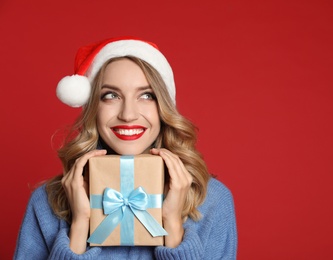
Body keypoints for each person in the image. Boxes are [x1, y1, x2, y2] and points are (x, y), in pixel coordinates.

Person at [14, 36, 237, 259]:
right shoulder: (47, 202)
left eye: (146, 95)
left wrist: (172, 225)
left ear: (163, 108)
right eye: (111, 95)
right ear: (93, 108)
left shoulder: (212, 201)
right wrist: (80, 226)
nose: (128, 114)